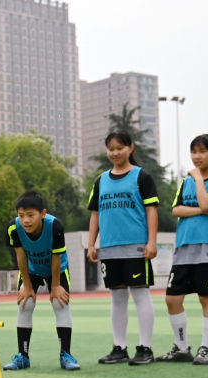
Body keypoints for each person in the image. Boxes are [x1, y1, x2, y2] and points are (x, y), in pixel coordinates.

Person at [156, 134, 208, 366]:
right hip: (183, 247)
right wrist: (205, 208)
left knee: (206, 297)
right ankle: (181, 349)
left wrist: (199, 180)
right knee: (172, 299)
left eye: (203, 151)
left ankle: (206, 349)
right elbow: (176, 210)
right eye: (194, 152)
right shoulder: (184, 182)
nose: (197, 156)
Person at [86, 131, 159, 365]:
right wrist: (91, 244)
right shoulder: (100, 180)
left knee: (140, 294)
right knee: (117, 298)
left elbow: (151, 210)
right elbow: (95, 214)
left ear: (131, 148)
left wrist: (152, 242)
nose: (115, 153)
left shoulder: (142, 177)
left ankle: (145, 348)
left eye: (119, 147)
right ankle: (120, 347)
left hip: (136, 246)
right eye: (111, 148)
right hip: (109, 248)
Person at [1, 191, 80, 371]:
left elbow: (56, 257)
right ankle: (23, 356)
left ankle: (65, 354)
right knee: (25, 303)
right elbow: (20, 257)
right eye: (21, 216)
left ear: (42, 214)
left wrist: (55, 286)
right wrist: (27, 286)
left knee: (60, 303)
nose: (26, 220)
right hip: (31, 269)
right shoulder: (13, 228)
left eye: (31, 215)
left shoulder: (54, 226)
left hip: (56, 268)